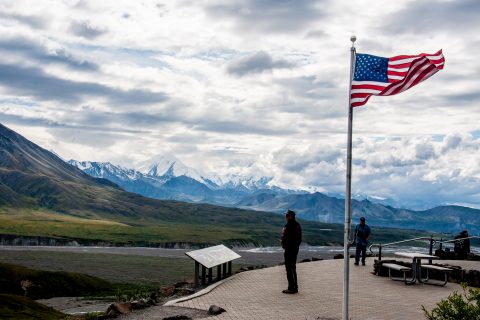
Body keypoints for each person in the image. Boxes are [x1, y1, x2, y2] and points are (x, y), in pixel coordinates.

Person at [280, 209, 302, 294]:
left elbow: (291, 239)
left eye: (287, 215)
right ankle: (294, 287)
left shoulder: (291, 226)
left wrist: (286, 245)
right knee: (292, 268)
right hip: (293, 249)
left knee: (290, 268)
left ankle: (292, 288)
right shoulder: (296, 225)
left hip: (290, 249)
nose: (285, 217)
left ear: (291, 216)